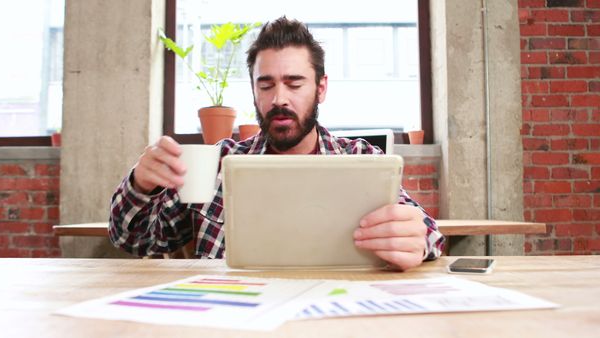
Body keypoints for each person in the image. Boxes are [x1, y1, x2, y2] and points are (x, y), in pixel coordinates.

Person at [109, 16, 445, 271]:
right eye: (266, 85)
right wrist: (141, 184)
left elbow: (430, 234)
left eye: (294, 83)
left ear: (321, 88)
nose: (278, 99)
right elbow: (134, 239)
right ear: (254, 89)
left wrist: (417, 238)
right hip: (233, 314)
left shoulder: (359, 158)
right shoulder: (218, 163)